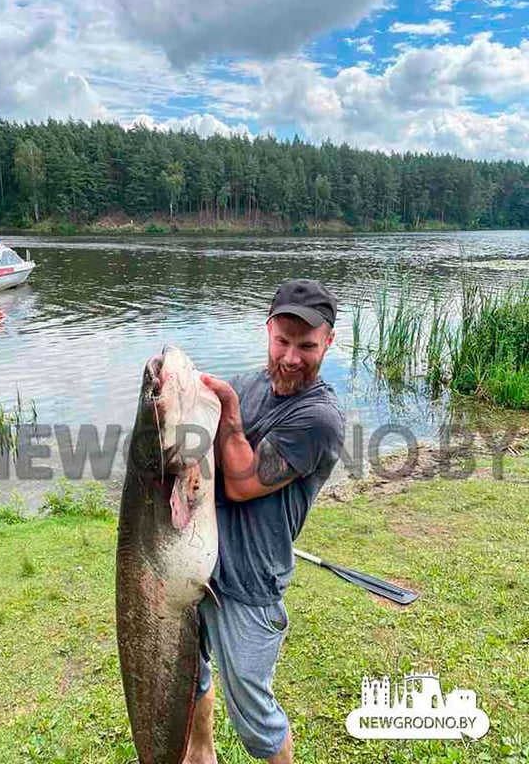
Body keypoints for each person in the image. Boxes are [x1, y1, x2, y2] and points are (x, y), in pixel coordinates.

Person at [185, 279, 345, 764]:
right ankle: (200, 755)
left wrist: (229, 414)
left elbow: (241, 482)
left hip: (250, 585)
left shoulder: (318, 419)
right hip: (198, 568)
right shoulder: (250, 383)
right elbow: (202, 452)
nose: (291, 358)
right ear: (268, 331)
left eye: (307, 346)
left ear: (329, 342)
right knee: (192, 675)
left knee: (256, 720)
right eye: (283, 341)